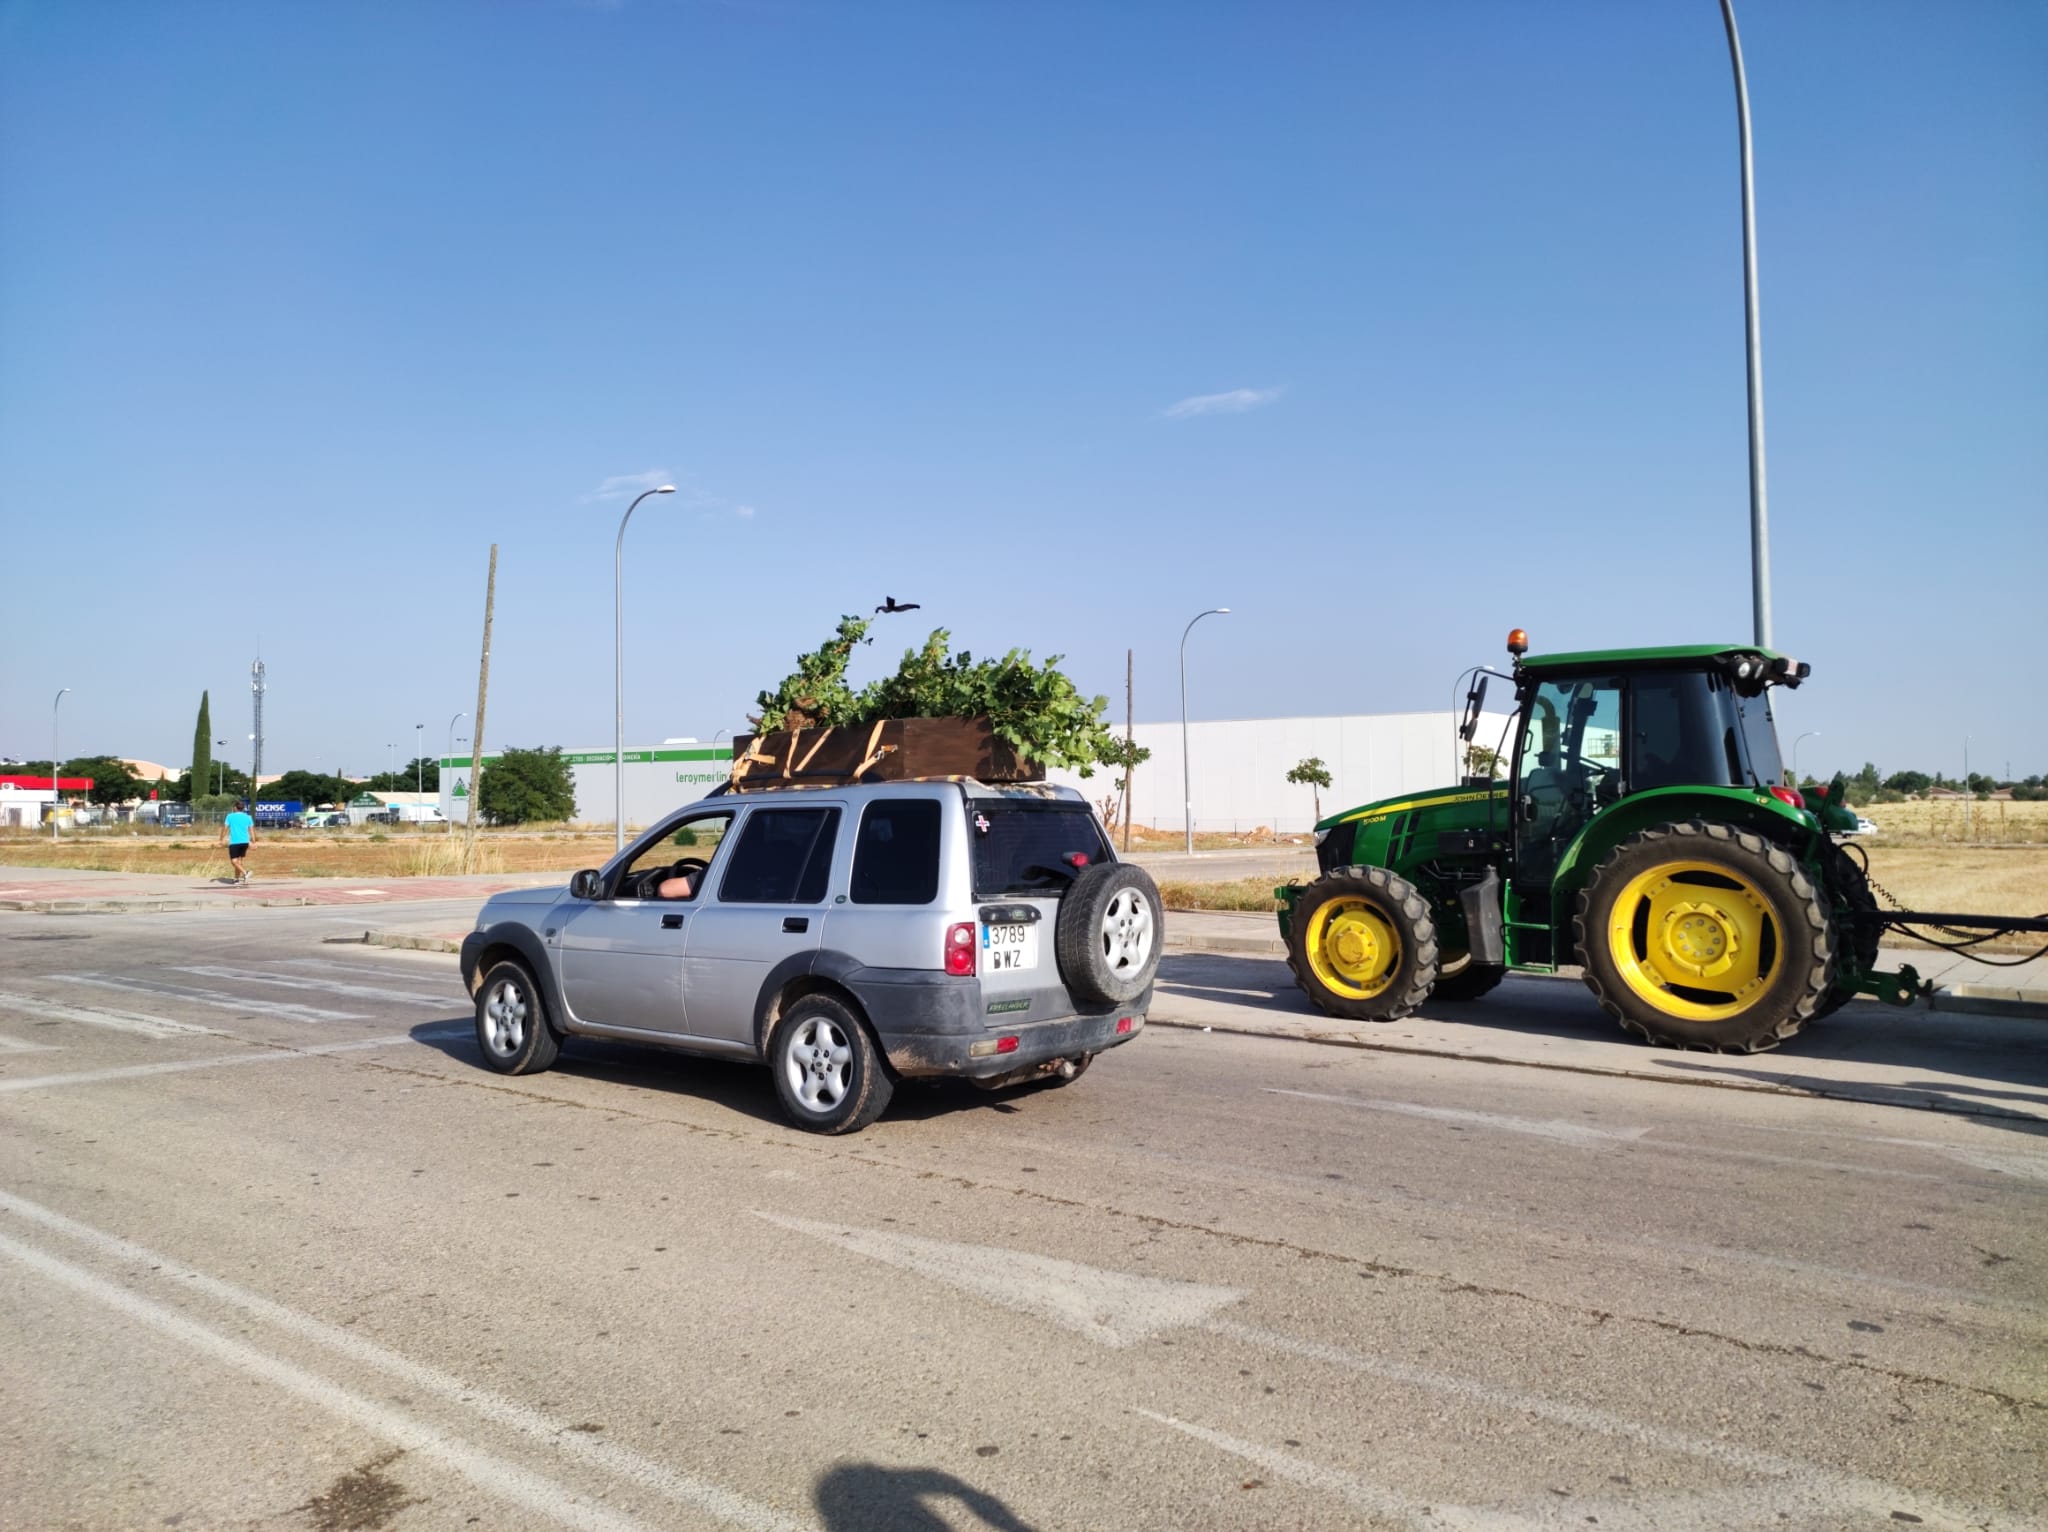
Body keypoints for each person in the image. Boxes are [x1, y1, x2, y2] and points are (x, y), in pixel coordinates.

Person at [219, 798, 255, 884]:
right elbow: (251, 830)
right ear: (242, 808)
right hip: (245, 842)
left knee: (234, 861)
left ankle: (246, 873)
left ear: (235, 807)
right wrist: (254, 841)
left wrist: (221, 839)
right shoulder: (248, 817)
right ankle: (236, 879)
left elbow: (225, 828)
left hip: (235, 842)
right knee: (239, 862)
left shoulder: (230, 816)